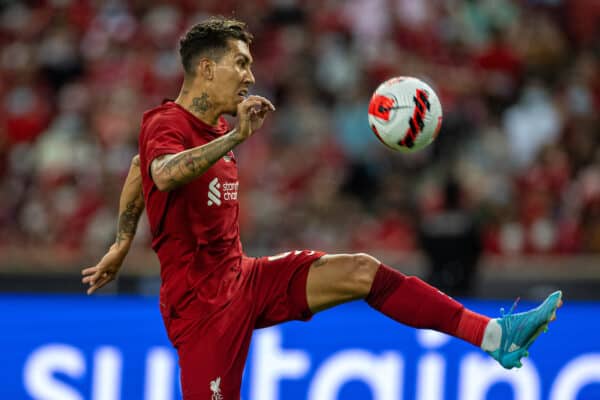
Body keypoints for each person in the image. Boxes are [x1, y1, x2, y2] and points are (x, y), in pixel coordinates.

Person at [82, 17, 562, 400]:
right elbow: (160, 172)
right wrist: (234, 138)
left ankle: (496, 337)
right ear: (207, 69)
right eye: (240, 63)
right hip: (201, 310)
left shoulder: (212, 128)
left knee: (361, 271)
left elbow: (136, 168)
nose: (250, 75)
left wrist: (122, 242)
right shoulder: (169, 122)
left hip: (243, 278)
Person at [418, 176, 483, 297]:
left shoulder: (432, 221)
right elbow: (477, 248)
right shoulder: (468, 221)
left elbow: (423, 246)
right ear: (459, 195)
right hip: (462, 279)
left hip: (437, 278)